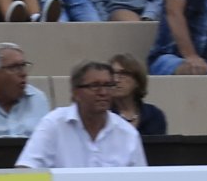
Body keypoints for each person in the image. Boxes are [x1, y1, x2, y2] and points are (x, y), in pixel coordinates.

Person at [16, 60, 147, 167]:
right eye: (95, 86)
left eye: (108, 85)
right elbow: (25, 170)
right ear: (76, 92)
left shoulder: (127, 134)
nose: (103, 92)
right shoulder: (54, 124)